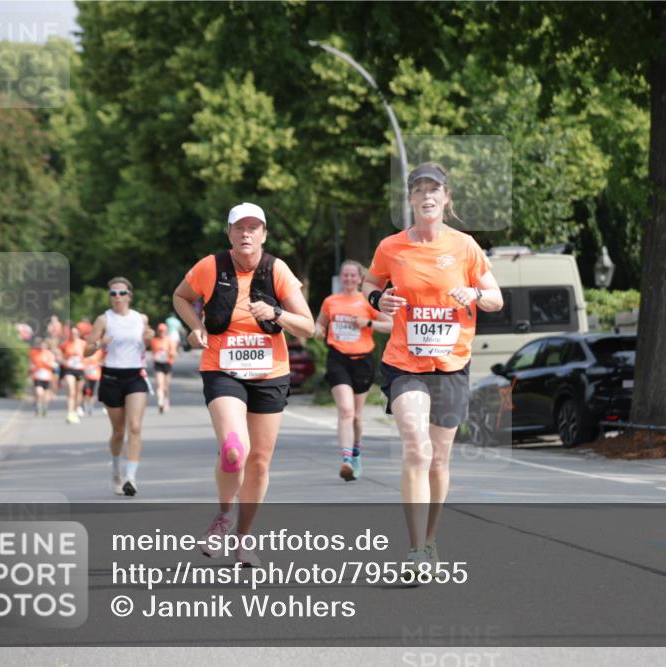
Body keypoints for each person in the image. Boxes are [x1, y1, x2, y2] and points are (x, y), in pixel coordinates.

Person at [361, 162, 503, 575]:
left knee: (439, 460)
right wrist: (377, 301)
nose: (426, 196)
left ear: (446, 198)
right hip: (405, 362)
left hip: (451, 363)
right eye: (419, 190)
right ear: (409, 199)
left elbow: (496, 298)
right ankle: (415, 549)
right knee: (416, 448)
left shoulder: (465, 247)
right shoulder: (391, 247)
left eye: (434, 190)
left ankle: (431, 537)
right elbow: (372, 284)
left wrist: (473, 292)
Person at [173, 202, 314, 567]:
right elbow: (181, 297)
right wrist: (197, 327)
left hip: (270, 372)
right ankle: (223, 517)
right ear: (230, 233)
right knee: (235, 450)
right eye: (240, 228)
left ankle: (244, 539)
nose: (246, 234)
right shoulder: (210, 266)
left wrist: (277, 314)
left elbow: (308, 326)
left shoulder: (276, 270)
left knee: (260, 463)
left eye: (254, 228)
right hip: (222, 368)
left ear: (264, 234)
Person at [314, 260, 392, 481]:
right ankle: (346, 459)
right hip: (337, 358)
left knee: (357, 416)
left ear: (360, 278)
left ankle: (356, 452)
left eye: (353, 276)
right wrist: (318, 329)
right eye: (345, 276)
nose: (349, 279)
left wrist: (367, 323)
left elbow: (392, 325)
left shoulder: (367, 301)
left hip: (362, 361)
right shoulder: (331, 301)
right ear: (341, 278)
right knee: (346, 411)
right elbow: (320, 323)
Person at [85, 277, 155, 497]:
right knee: (118, 431)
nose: (117, 297)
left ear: (129, 296)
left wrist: (149, 337)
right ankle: (116, 471)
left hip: (135, 375)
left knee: (134, 427)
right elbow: (86, 350)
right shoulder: (103, 320)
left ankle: (130, 477)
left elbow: (147, 342)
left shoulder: (140, 318)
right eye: (113, 294)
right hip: (112, 377)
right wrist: (100, 344)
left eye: (121, 293)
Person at [58, 326, 87, 424]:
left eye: (75, 332)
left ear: (79, 333)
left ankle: (75, 410)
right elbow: (58, 356)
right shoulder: (65, 344)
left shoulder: (83, 344)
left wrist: (85, 362)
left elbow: (89, 355)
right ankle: (70, 412)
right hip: (69, 370)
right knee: (71, 390)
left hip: (80, 370)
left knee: (79, 392)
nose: (73, 334)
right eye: (72, 333)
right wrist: (64, 362)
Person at [150, 323, 178, 413]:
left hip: (167, 364)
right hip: (158, 364)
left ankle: (166, 400)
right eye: (160, 331)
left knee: (166, 387)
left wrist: (168, 352)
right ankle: (160, 402)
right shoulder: (154, 340)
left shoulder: (170, 340)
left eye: (163, 331)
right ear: (158, 331)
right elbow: (153, 352)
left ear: (166, 331)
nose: (161, 332)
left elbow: (174, 353)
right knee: (160, 385)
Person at [28, 338, 57, 417]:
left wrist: (46, 364)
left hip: (47, 377)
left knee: (45, 394)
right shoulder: (34, 353)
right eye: (40, 345)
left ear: (46, 346)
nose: (42, 346)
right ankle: (38, 406)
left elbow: (53, 365)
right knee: (39, 392)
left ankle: (44, 406)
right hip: (37, 376)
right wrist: (32, 367)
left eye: (43, 345)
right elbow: (30, 363)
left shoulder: (49, 354)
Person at [81, 349, 103, 417]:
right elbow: (81, 361)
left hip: (96, 376)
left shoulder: (99, 352)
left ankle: (91, 407)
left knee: (93, 393)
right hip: (85, 376)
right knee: (86, 392)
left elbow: (103, 361)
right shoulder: (85, 351)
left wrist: (97, 364)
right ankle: (85, 404)